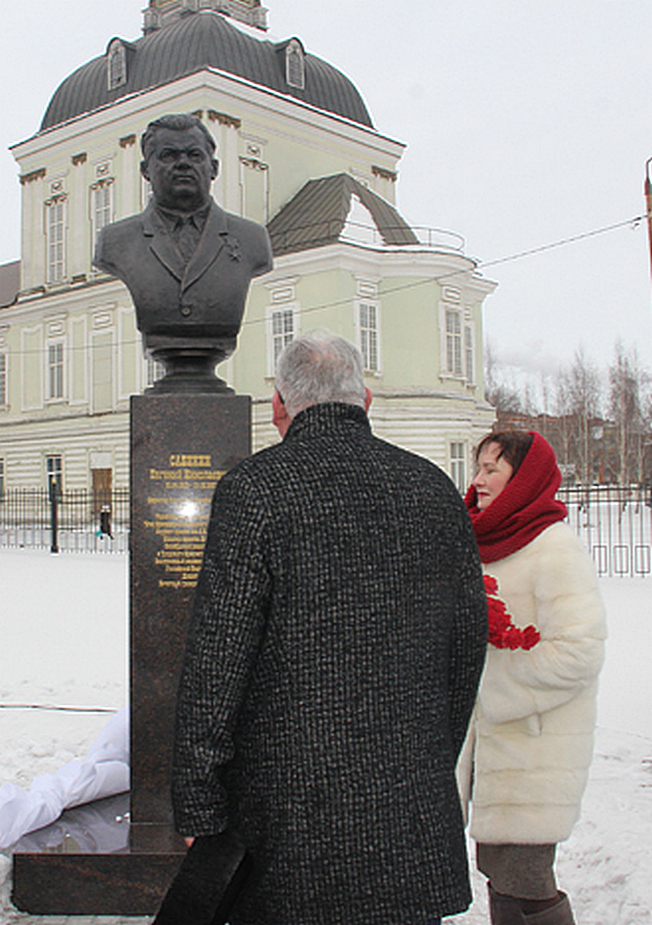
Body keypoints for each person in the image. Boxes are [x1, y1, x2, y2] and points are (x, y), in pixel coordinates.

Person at [171, 330, 488, 925]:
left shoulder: (256, 490)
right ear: (365, 399)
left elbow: (218, 659)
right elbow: (466, 648)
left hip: (290, 819)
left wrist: (200, 805)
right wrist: (424, 758)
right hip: (407, 814)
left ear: (278, 406)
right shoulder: (433, 489)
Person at [459, 430, 607, 925]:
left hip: (535, 746)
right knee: (497, 867)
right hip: (492, 746)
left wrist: (495, 690)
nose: (477, 480)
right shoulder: (481, 540)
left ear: (522, 480)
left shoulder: (553, 548)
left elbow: (579, 651)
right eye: (478, 468)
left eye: (490, 470)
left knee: (525, 875)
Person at [93, 113, 272, 360]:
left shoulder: (253, 239)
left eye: (195, 155)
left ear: (214, 168)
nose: (183, 164)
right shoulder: (116, 242)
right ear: (145, 170)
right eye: (169, 156)